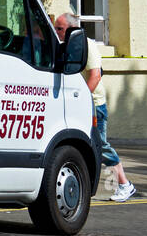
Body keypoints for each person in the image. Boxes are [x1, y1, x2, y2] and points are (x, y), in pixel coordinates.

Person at [53, 12, 135, 202]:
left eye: (60, 28)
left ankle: (124, 184)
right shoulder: (66, 45)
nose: (56, 32)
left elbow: (95, 75)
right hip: (81, 103)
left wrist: (81, 99)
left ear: (72, 29)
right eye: (56, 28)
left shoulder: (86, 45)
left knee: (101, 145)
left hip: (94, 105)